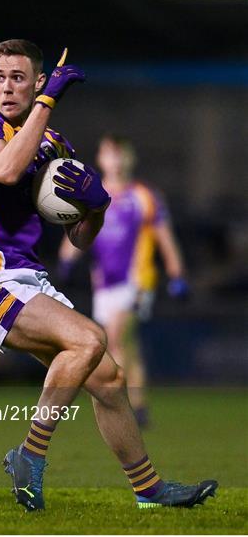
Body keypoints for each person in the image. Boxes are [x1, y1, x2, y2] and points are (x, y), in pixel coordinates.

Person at [0, 39, 217, 512]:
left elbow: (79, 238)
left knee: (111, 380)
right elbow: (7, 170)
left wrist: (96, 206)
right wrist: (48, 100)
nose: (6, 87)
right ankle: (29, 454)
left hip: (28, 279)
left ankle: (149, 490)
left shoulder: (55, 145)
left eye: (18, 78)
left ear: (36, 80)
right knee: (90, 339)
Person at [58, 135, 189, 427]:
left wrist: (177, 274)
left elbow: (164, 238)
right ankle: (139, 407)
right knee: (126, 347)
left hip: (137, 280)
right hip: (103, 284)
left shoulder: (144, 195)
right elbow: (77, 233)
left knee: (116, 337)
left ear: (130, 158)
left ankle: (119, 405)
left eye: (121, 154)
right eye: (110, 154)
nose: (116, 160)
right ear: (101, 159)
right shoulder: (93, 195)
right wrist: (66, 260)